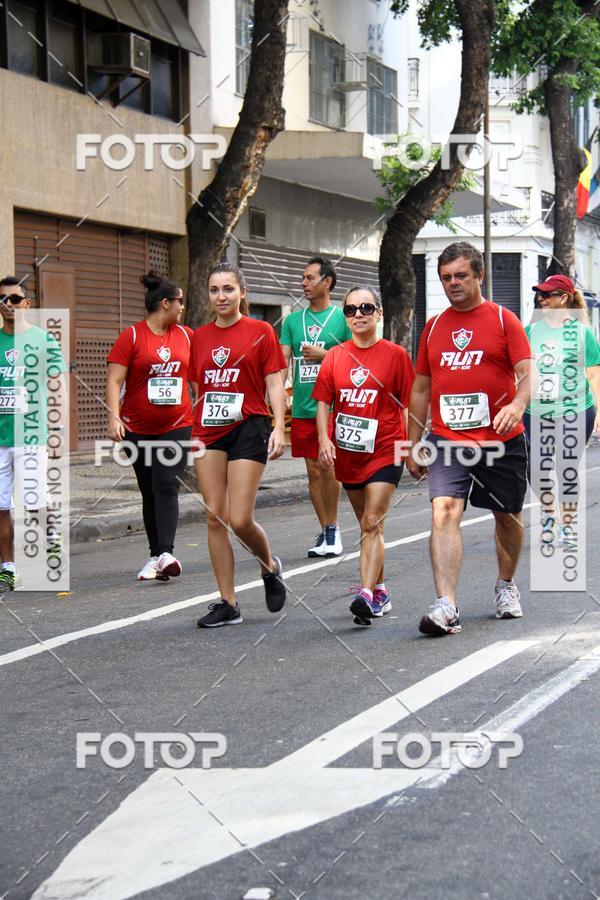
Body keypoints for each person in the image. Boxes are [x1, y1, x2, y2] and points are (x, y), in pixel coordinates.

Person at [407, 242, 535, 635]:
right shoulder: (433, 327)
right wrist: (414, 442)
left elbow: (529, 374)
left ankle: (506, 584)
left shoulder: (502, 320)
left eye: (461, 275)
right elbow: (421, 389)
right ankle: (446, 604)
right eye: (446, 278)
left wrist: (515, 405)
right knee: (444, 509)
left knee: (508, 518)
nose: (453, 283)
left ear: (479, 276)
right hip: (448, 439)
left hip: (501, 438)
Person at [190, 262, 287, 628]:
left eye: (228, 289)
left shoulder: (261, 331)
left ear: (242, 293)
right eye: (214, 290)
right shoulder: (199, 337)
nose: (221, 296)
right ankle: (228, 603)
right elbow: (199, 389)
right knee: (214, 514)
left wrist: (279, 426)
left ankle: (269, 566)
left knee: (239, 517)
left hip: (249, 425)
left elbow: (275, 383)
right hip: (209, 430)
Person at [314, 287, 415, 625]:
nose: (358, 314)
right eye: (351, 310)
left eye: (366, 308)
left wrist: (413, 447)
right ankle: (381, 589)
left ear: (379, 313)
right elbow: (324, 401)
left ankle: (365, 594)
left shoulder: (395, 355)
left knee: (372, 521)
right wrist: (324, 440)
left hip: (387, 448)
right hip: (349, 453)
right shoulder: (335, 356)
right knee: (368, 524)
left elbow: (412, 404)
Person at [107, 271, 193, 581]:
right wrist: (114, 417)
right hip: (137, 428)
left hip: (177, 424)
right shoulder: (130, 336)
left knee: (166, 485)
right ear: (165, 303)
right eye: (180, 302)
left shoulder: (185, 336)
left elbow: (199, 375)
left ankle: (167, 551)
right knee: (148, 490)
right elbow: (115, 380)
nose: (183, 307)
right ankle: (156, 557)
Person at [280, 256, 351, 558]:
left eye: (310, 278)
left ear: (327, 282)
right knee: (311, 472)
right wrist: (281, 392)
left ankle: (333, 529)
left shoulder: (343, 318)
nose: (303, 283)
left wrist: (325, 354)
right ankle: (325, 530)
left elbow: (355, 358)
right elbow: (282, 360)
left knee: (329, 465)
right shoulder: (293, 321)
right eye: (303, 278)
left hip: (334, 406)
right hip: (303, 407)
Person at [0, 277, 67, 590]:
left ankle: (50, 536)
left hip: (31, 434)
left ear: (27, 304)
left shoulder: (43, 340)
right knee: (2, 506)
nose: (8, 304)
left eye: (15, 299)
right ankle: (8, 567)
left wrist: (58, 429)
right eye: (3, 299)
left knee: (34, 502)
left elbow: (57, 384)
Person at [525, 274, 600, 546]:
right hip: (536, 411)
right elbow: (519, 373)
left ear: (564, 298)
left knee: (566, 466)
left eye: (547, 295)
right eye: (540, 295)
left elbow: (593, 374)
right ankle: (549, 515)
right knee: (536, 467)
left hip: (576, 409)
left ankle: (567, 525)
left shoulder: (582, 333)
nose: (541, 299)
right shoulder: (530, 331)